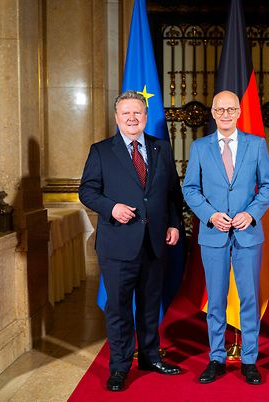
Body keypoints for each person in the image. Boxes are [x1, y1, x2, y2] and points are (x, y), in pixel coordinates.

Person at [79, 90, 183, 392]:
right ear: (116, 117)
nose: (132, 118)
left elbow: (171, 193)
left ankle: (150, 357)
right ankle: (120, 367)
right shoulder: (101, 151)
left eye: (137, 112)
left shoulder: (161, 148)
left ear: (146, 116)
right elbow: (87, 191)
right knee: (119, 308)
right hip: (118, 246)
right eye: (126, 113)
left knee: (151, 305)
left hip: (154, 242)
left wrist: (174, 223)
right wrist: (111, 208)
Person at [182, 90, 269, 385]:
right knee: (217, 299)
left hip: (248, 232)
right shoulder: (199, 147)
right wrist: (209, 214)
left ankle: (249, 360)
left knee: (249, 297)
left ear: (238, 112)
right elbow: (190, 189)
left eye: (230, 109)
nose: (225, 114)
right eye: (220, 109)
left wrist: (251, 213)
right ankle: (217, 358)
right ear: (212, 113)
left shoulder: (256, 144)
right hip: (213, 234)